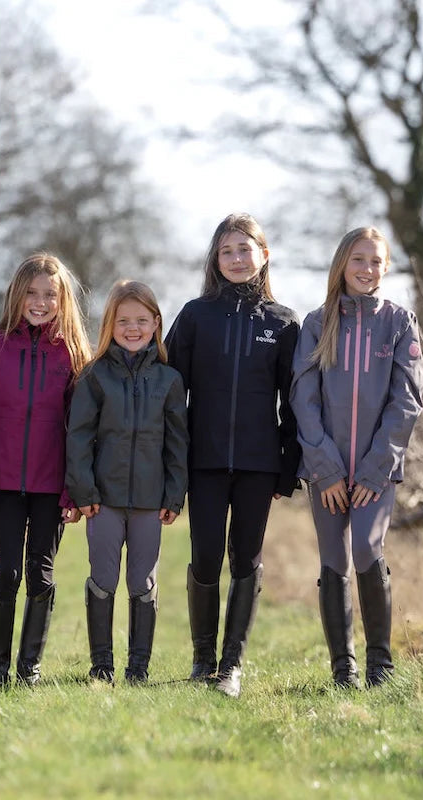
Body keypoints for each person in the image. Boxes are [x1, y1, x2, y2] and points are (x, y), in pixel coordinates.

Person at [165, 213, 301, 698]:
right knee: (205, 557)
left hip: (258, 464)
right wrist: (172, 462)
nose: (237, 258)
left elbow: (294, 402)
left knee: (246, 558)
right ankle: (202, 659)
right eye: (227, 251)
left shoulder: (284, 323)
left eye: (245, 249)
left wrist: (287, 469)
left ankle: (231, 667)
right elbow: (169, 392)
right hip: (203, 462)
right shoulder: (194, 316)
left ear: (263, 255)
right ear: (215, 259)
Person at [289, 226, 423, 688]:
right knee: (334, 558)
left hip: (376, 471)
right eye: (358, 259)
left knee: (367, 547)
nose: (367, 269)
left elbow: (406, 402)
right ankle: (342, 668)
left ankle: (379, 665)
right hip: (325, 468)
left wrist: (375, 468)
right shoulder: (317, 323)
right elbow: (303, 398)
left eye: (375, 261)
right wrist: (325, 468)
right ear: (342, 264)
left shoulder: (400, 323)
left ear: (386, 267)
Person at [0, 253, 91, 687]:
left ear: (62, 300)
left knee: (42, 573)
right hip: (3, 484)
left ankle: (28, 668)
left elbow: (80, 431)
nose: (40, 302)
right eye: (32, 293)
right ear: (16, 294)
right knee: (7, 571)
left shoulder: (73, 354)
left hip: (51, 485)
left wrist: (74, 491)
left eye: (50, 295)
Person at [66, 280, 188, 684]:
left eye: (141, 320)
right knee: (103, 578)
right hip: (103, 500)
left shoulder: (170, 381)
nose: (132, 328)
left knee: (142, 581)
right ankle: (101, 666)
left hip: (151, 502)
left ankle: (138, 668)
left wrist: (174, 494)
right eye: (123, 321)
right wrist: (83, 491)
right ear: (109, 326)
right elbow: (79, 438)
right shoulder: (94, 376)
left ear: (156, 323)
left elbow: (177, 444)